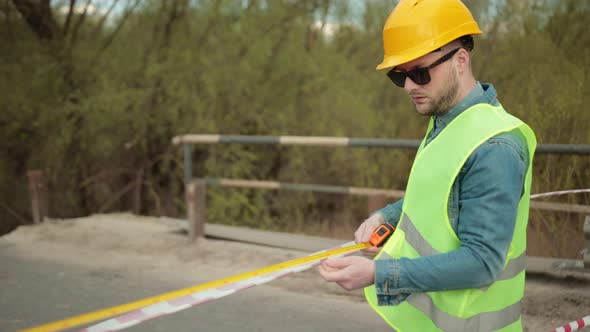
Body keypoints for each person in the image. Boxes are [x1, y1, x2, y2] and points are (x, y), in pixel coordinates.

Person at [318, 0, 537, 331]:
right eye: (400, 76)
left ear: (460, 60)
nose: (409, 86)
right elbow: (442, 196)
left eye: (420, 73)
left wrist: (379, 274)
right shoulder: (447, 120)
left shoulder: (495, 148)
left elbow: (482, 261)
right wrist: (386, 217)